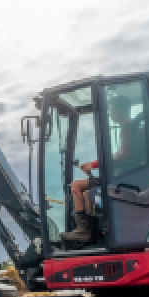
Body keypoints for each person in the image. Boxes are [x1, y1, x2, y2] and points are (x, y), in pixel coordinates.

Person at [61, 96, 133, 243]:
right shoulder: (129, 128)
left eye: (112, 109)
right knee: (82, 190)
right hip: (122, 176)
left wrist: (93, 165)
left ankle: (84, 230)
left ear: (122, 109)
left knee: (79, 188)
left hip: (122, 178)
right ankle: (89, 231)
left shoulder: (128, 129)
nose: (111, 113)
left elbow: (124, 155)